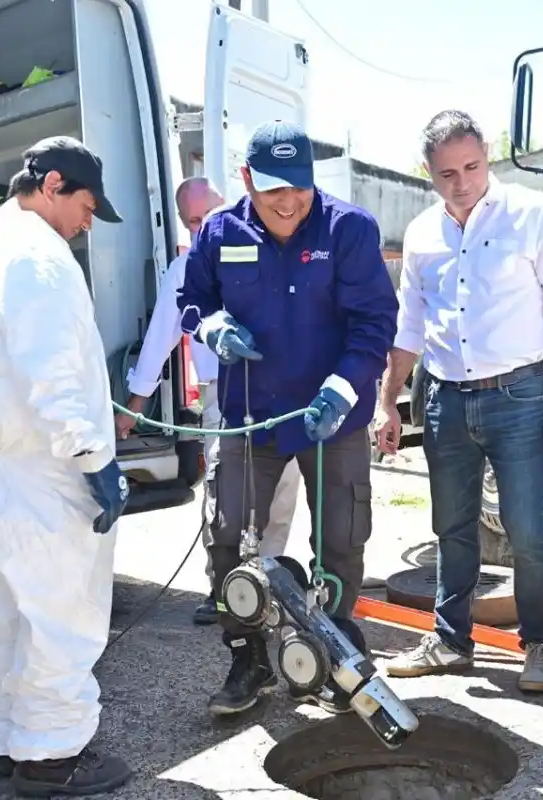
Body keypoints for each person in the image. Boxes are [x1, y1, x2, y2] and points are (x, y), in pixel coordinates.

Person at [0, 136, 132, 795]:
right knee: (62, 618)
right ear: (52, 185)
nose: (86, 224)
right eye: (86, 206)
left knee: (8, 615)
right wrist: (95, 459)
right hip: (44, 472)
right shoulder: (38, 257)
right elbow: (55, 372)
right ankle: (52, 760)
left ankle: (12, 737)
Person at [177, 120, 398, 716]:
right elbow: (191, 299)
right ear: (247, 180)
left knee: (341, 540)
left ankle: (330, 657)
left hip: (333, 417)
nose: (288, 201)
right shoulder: (220, 233)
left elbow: (375, 323)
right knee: (228, 538)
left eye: (298, 186)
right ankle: (248, 659)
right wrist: (210, 325)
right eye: (273, 188)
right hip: (253, 418)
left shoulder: (349, 229)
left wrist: (345, 387)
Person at [375, 110, 543, 694]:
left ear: (487, 155)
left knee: (526, 528)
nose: (462, 182)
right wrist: (387, 402)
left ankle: (539, 645)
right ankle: (450, 642)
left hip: (518, 395)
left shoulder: (531, 215)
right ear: (428, 172)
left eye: (471, 166)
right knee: (451, 526)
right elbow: (408, 327)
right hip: (443, 397)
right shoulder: (422, 234)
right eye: (446, 173)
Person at [116, 176, 302, 626]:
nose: (204, 228)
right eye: (193, 221)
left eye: (210, 216)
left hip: (282, 392)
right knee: (224, 497)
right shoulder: (185, 269)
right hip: (223, 399)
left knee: (280, 494)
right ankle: (221, 588)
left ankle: (266, 585)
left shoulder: (275, 253)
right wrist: (133, 407)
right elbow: (161, 335)